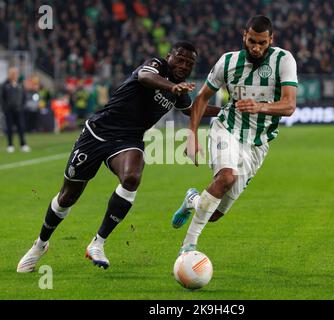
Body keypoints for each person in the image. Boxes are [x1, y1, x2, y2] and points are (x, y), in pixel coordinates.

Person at [17, 41, 219, 272]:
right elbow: (144, 77)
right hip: (97, 133)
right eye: (180, 58)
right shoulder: (156, 66)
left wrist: (230, 110)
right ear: (169, 56)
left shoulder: (180, 91)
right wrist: (171, 87)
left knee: (132, 177)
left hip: (128, 140)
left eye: (189, 63)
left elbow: (194, 110)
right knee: (67, 197)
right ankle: (40, 244)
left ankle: (98, 243)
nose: (184, 65)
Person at [171, 15, 298, 255]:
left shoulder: (284, 60)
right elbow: (201, 99)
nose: (256, 47)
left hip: (257, 144)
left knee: (215, 213)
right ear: (244, 36)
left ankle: (192, 201)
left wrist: (259, 106)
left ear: (271, 39)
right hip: (227, 129)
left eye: (262, 42)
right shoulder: (227, 62)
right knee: (226, 177)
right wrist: (192, 135)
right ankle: (188, 246)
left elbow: (289, 106)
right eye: (252, 41)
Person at [0, 66, 31, 152]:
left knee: (21, 127)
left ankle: (23, 144)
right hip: (9, 110)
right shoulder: (5, 84)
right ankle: (10, 145)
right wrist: (5, 108)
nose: (14, 75)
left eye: (15, 73)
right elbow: (2, 98)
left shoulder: (20, 84)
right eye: (13, 73)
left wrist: (22, 106)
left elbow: (24, 96)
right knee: (9, 128)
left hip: (19, 110)